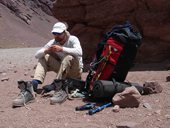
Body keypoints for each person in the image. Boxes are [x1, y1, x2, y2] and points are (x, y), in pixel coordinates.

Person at [12, 22, 83, 107]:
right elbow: (37, 55)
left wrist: (62, 49)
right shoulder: (53, 42)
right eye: (54, 33)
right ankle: (35, 83)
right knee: (44, 56)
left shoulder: (73, 39)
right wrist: (46, 51)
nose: (56, 36)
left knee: (68, 57)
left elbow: (79, 52)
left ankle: (57, 86)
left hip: (75, 70)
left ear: (65, 32)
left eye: (59, 33)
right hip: (63, 68)